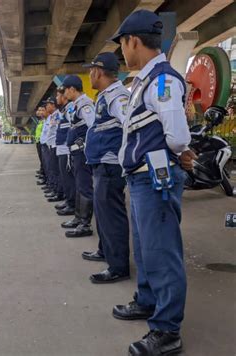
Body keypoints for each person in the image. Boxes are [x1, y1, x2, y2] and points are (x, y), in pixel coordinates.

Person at [110, 10, 196, 356]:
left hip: (155, 178)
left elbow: (177, 135)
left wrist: (181, 151)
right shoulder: (144, 81)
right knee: (145, 249)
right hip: (143, 178)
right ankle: (147, 301)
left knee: (162, 253)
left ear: (133, 40)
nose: (122, 52)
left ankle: (167, 331)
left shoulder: (162, 80)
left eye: (122, 45)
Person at [82, 52, 131, 284]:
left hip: (110, 165)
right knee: (103, 214)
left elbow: (130, 124)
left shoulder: (117, 95)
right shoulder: (104, 96)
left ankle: (118, 265)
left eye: (91, 70)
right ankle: (105, 250)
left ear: (98, 71)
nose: (89, 75)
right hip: (101, 164)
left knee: (111, 216)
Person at [60, 75, 95, 239]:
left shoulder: (85, 104)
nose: (64, 93)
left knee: (84, 186)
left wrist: (85, 144)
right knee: (79, 186)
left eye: (65, 90)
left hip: (82, 152)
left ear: (72, 89)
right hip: (75, 152)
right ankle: (79, 217)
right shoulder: (75, 105)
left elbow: (93, 126)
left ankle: (85, 224)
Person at [55, 86, 77, 224]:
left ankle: (71, 204)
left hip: (67, 149)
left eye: (58, 95)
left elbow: (73, 127)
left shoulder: (70, 108)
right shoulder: (65, 110)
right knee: (65, 177)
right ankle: (69, 201)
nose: (57, 98)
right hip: (63, 148)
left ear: (64, 96)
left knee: (70, 180)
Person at [43, 97, 64, 202]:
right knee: (53, 169)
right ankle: (55, 190)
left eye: (48, 104)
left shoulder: (58, 116)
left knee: (57, 171)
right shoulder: (52, 116)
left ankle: (59, 192)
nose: (46, 106)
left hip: (56, 146)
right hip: (51, 146)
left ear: (53, 105)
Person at [35, 105, 46, 182]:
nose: (39, 112)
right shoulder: (40, 121)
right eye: (39, 110)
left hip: (42, 142)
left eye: (41, 110)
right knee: (42, 159)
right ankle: (42, 172)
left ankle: (44, 175)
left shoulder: (45, 121)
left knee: (44, 160)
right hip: (38, 141)